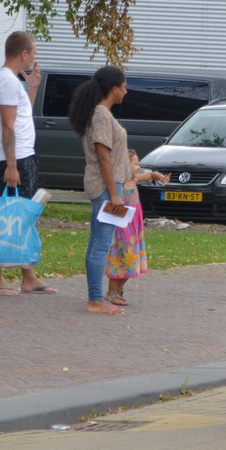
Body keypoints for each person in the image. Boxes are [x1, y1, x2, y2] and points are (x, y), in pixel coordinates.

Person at [0, 31, 58, 296]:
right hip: (15, 158)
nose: (35, 56)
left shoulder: (13, 81)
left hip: (23, 155)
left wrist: (33, 87)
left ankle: (29, 277)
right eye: (33, 51)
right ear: (23, 54)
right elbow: (8, 126)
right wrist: (12, 166)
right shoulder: (5, 81)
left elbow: (22, 115)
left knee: (25, 217)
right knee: (7, 216)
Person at [68, 66, 131, 316]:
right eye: (124, 86)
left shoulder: (99, 113)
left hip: (106, 185)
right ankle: (95, 300)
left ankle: (95, 297)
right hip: (106, 186)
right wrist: (115, 194)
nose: (126, 91)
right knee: (101, 244)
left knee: (97, 242)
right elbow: (103, 157)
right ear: (114, 88)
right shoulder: (102, 115)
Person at [105, 149, 170, 306]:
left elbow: (150, 175)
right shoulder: (117, 183)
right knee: (121, 258)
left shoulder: (134, 179)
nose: (138, 167)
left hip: (134, 227)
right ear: (125, 165)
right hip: (121, 228)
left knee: (133, 259)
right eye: (135, 164)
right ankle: (111, 294)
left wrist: (160, 176)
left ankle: (118, 291)